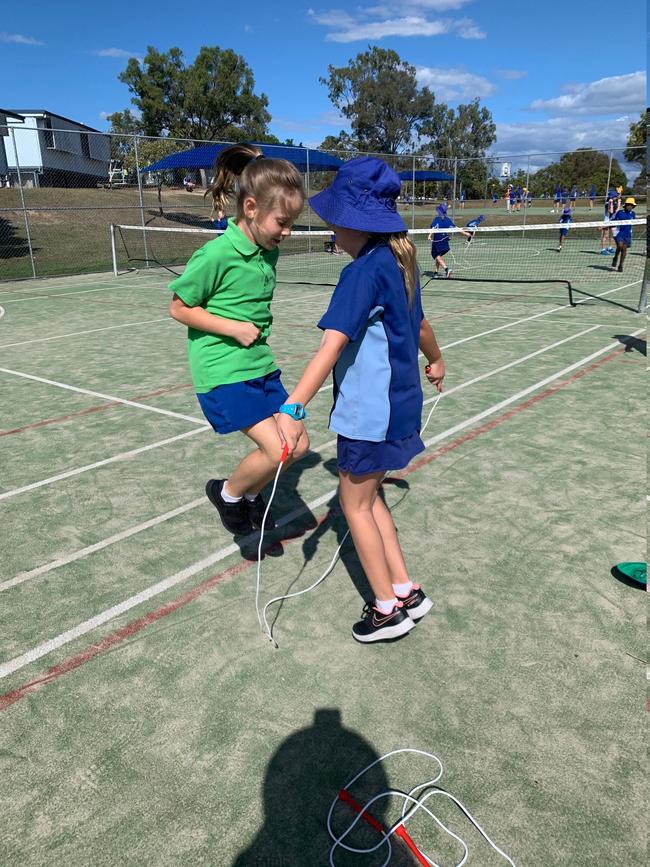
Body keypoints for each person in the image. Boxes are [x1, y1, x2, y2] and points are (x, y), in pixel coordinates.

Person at [276, 156, 445, 643]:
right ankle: (405, 590)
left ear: (352, 222)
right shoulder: (400, 261)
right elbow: (421, 327)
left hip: (370, 416)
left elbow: (330, 345)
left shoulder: (361, 273)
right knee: (371, 501)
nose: (331, 230)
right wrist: (437, 360)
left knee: (355, 506)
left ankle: (387, 609)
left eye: (333, 222)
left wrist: (294, 406)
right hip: (399, 408)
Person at [168, 143, 308, 537]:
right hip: (223, 370)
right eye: (282, 222)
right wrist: (233, 327)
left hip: (260, 364)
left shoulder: (268, 252)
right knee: (278, 449)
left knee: (297, 446)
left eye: (291, 223)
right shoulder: (215, 254)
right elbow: (179, 308)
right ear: (250, 209)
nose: (287, 232)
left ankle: (248, 497)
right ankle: (227, 494)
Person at [427, 202, 470, 278]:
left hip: (437, 241)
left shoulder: (436, 219)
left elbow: (433, 228)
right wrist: (465, 233)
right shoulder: (448, 220)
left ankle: (447, 269)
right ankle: (435, 273)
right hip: (445, 242)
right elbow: (456, 228)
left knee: (436, 256)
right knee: (438, 256)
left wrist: (429, 235)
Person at [610, 197, 637, 272]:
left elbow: (635, 221)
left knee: (624, 249)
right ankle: (615, 257)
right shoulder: (620, 213)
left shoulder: (633, 214)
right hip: (619, 233)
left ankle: (620, 265)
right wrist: (604, 227)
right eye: (629, 205)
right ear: (626, 205)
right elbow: (612, 221)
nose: (630, 206)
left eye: (632, 205)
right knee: (620, 245)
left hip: (628, 234)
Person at [600, 186, 618, 254]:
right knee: (606, 235)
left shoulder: (615, 203)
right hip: (607, 221)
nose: (615, 197)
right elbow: (610, 211)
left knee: (613, 235)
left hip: (613, 221)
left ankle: (610, 248)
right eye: (614, 196)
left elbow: (616, 211)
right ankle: (603, 249)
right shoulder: (607, 203)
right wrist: (610, 203)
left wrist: (618, 203)